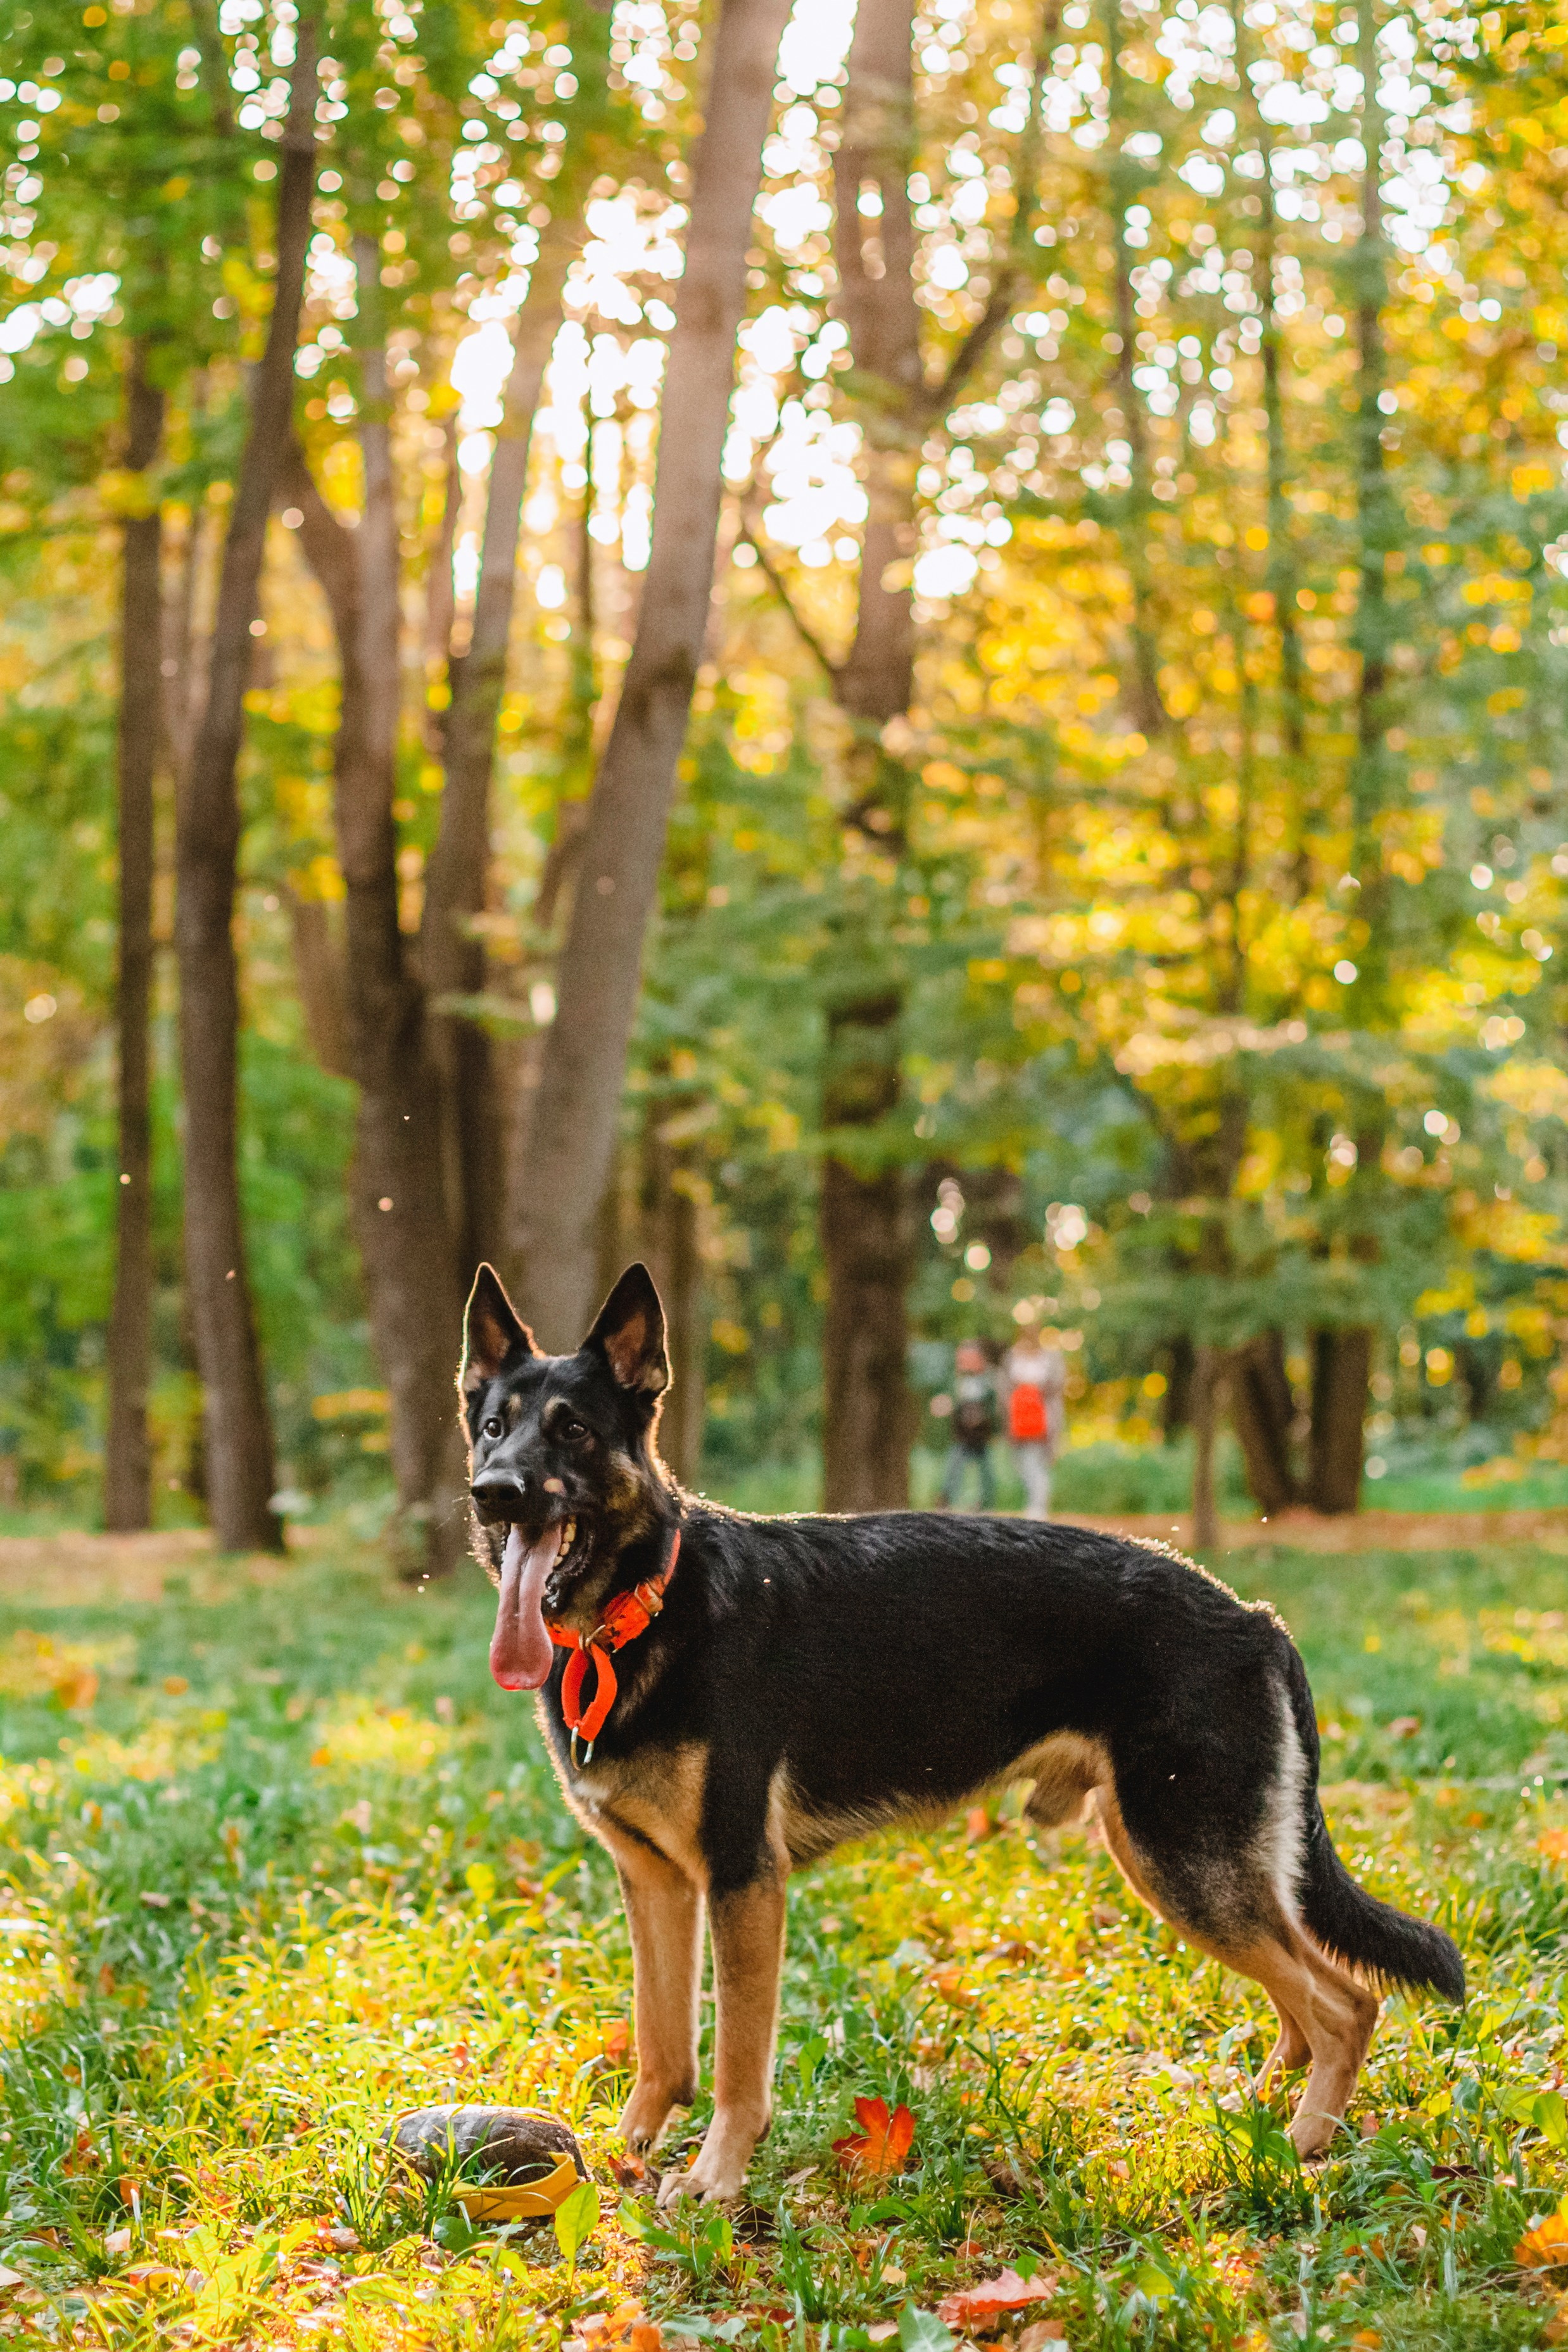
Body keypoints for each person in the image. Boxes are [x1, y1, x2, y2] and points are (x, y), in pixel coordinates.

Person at [1004, 1327, 1066, 1519]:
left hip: (1042, 1417)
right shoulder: (1012, 1357)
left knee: (1038, 1462)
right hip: (1019, 1417)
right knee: (1023, 1463)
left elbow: (1057, 1385)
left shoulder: (1050, 1358)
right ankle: (1035, 1504)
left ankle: (1038, 1506)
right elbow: (1005, 1387)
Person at [938, 1339, 999, 1510]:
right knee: (954, 1467)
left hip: (982, 1434)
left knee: (986, 1471)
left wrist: (992, 1428)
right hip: (962, 1434)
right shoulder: (956, 1381)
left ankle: (986, 1503)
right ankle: (947, 1500)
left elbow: (994, 1407)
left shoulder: (988, 1380)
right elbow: (948, 1403)